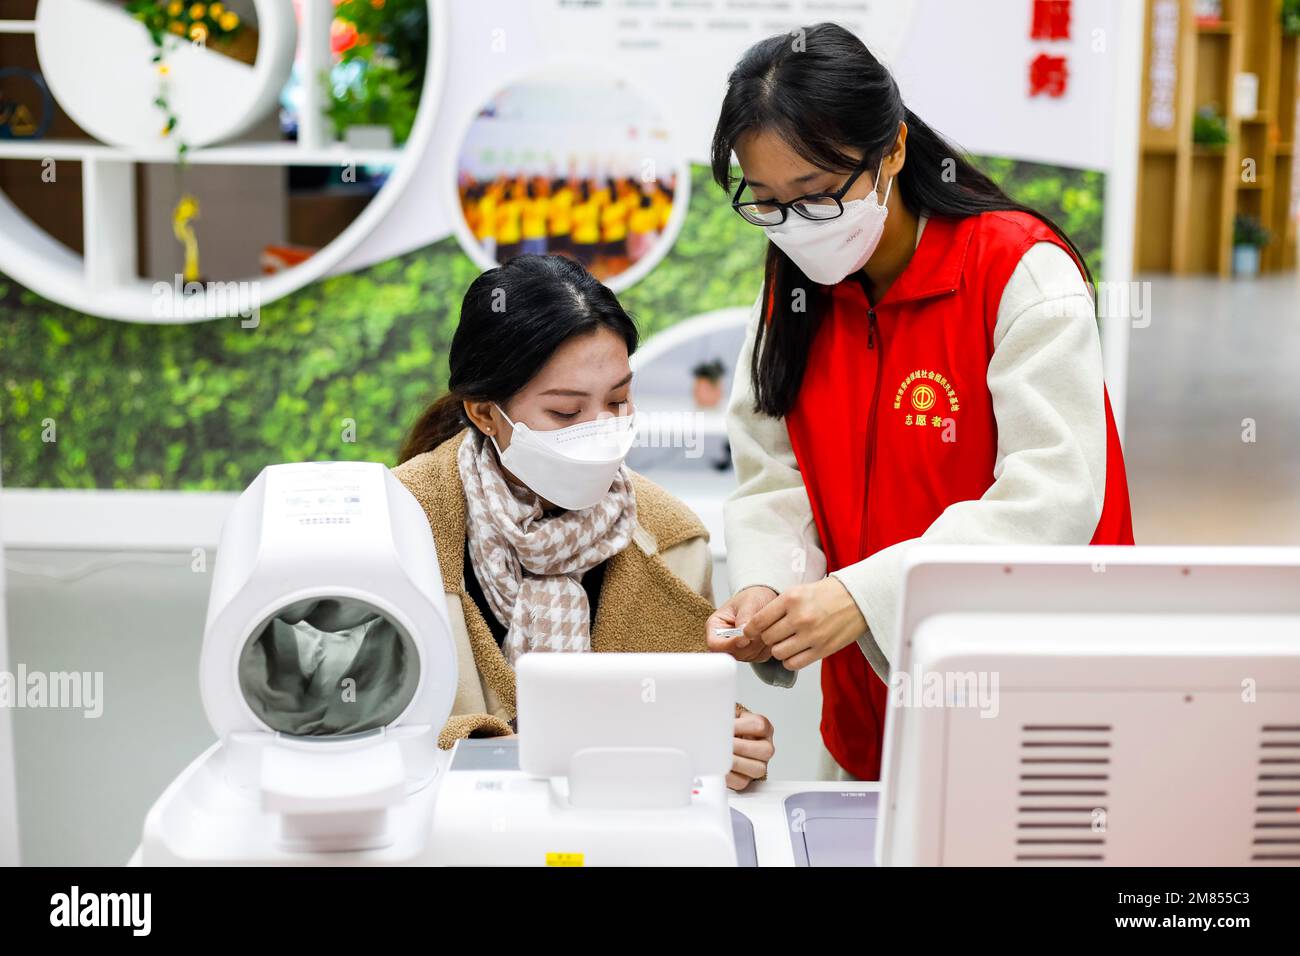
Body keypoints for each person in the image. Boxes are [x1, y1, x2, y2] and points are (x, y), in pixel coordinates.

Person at [705, 23, 1134, 781]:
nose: (794, 227)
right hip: (869, 717)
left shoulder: (1016, 272)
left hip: (1026, 714)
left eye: (815, 194)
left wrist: (862, 595)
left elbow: (1054, 500)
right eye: (766, 201)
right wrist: (766, 589)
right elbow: (775, 474)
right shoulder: (792, 294)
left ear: (894, 150)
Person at [394, 254, 775, 790]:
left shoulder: (671, 542)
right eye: (567, 413)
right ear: (484, 413)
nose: (602, 431)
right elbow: (364, 732)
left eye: (619, 399)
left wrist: (728, 748)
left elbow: (692, 730)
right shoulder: (400, 527)